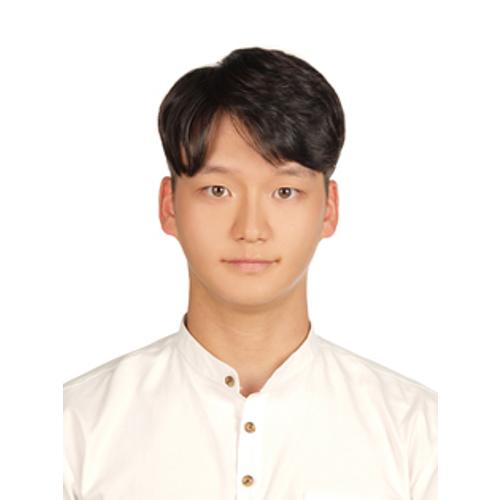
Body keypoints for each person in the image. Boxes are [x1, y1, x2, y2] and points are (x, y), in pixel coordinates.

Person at [63, 47, 437, 500]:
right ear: (169, 206)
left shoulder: (417, 430)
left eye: (285, 191)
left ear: (328, 209)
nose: (251, 228)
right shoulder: (76, 426)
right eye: (218, 190)